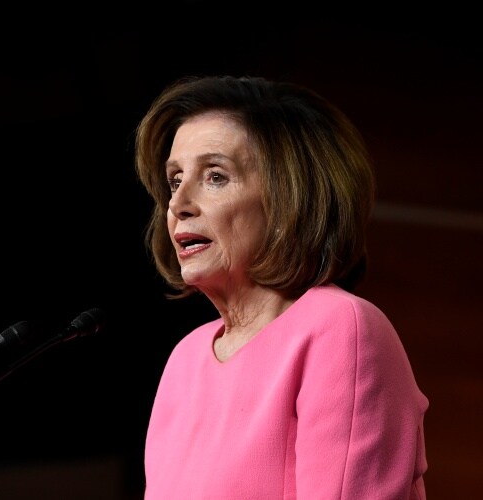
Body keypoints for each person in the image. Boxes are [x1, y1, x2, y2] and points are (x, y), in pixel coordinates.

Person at [133, 75, 428, 499]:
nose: (178, 204)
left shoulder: (339, 328)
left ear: (290, 198)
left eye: (215, 176)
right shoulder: (185, 359)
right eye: (176, 180)